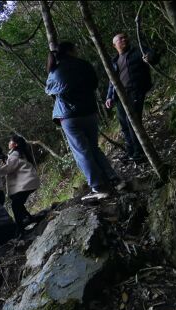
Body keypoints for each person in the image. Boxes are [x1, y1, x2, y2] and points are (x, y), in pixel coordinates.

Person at [46, 41, 127, 201]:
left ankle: (99, 187)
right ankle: (115, 179)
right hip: (89, 112)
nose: (77, 50)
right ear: (71, 50)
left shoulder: (55, 71)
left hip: (69, 116)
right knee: (94, 148)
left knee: (82, 152)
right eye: (75, 48)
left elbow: (49, 90)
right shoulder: (83, 64)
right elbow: (94, 84)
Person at [104, 33, 157, 162]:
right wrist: (109, 97)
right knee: (124, 125)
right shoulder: (115, 61)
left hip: (136, 91)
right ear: (114, 45)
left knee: (132, 120)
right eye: (120, 39)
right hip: (120, 96)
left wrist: (149, 57)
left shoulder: (138, 51)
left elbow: (152, 56)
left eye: (125, 37)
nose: (124, 40)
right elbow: (112, 82)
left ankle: (140, 153)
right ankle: (131, 151)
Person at [0, 134, 41, 236]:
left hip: (26, 183)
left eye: (10, 141)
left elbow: (9, 168)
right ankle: (30, 218)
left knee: (15, 205)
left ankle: (20, 230)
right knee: (18, 203)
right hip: (29, 183)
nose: (9, 143)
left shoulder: (15, 154)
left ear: (15, 144)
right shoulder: (19, 153)